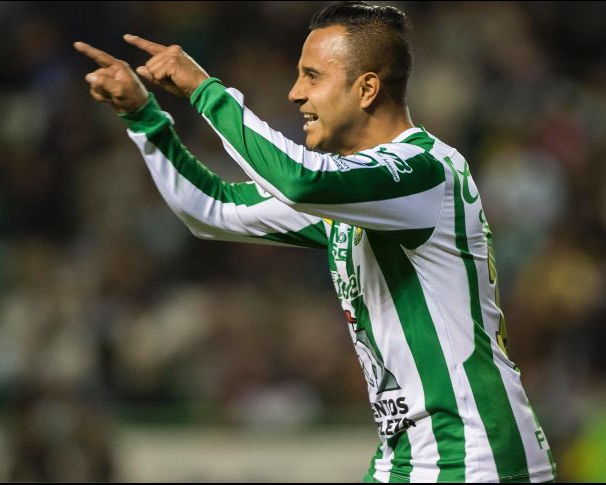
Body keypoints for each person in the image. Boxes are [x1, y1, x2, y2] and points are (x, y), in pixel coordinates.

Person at [74, 1, 556, 482]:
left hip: (475, 455)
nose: (294, 94)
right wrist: (144, 116)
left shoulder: (423, 172)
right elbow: (213, 207)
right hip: (406, 456)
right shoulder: (348, 197)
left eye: (311, 76)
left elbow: (302, 182)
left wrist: (206, 91)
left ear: (366, 88)